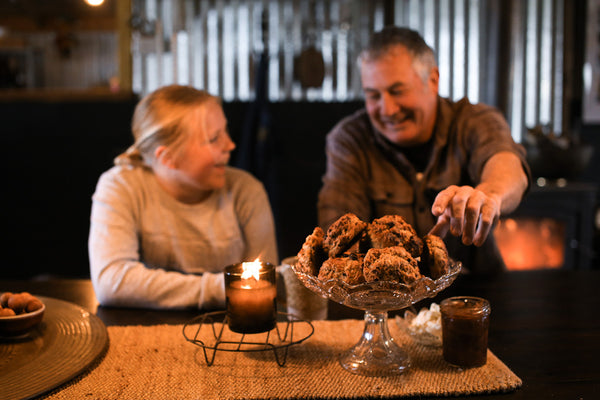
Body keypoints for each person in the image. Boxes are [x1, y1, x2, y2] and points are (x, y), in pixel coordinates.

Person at [318, 26, 530, 274]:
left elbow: (507, 164)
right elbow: (339, 232)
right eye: (373, 95)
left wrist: (489, 195)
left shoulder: (473, 120)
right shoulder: (349, 139)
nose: (387, 109)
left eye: (397, 91)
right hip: (387, 301)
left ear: (432, 81)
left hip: (476, 295)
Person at [89, 85, 278, 309]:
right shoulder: (120, 186)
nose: (230, 145)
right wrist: (226, 287)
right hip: (146, 332)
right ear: (168, 158)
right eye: (214, 138)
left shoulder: (246, 191)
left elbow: (265, 286)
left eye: (225, 132)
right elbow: (112, 281)